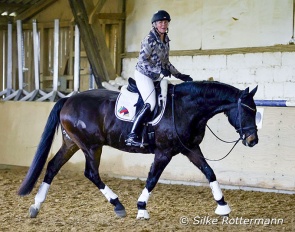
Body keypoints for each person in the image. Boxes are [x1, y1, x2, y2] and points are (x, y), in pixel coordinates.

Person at [125, 10, 192, 147]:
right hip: (144, 74)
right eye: (161, 22)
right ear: (155, 24)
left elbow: (166, 63)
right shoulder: (149, 39)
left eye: (165, 22)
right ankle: (133, 135)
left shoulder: (166, 40)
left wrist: (180, 75)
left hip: (156, 76)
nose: (163, 24)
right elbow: (143, 61)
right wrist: (159, 69)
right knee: (151, 103)